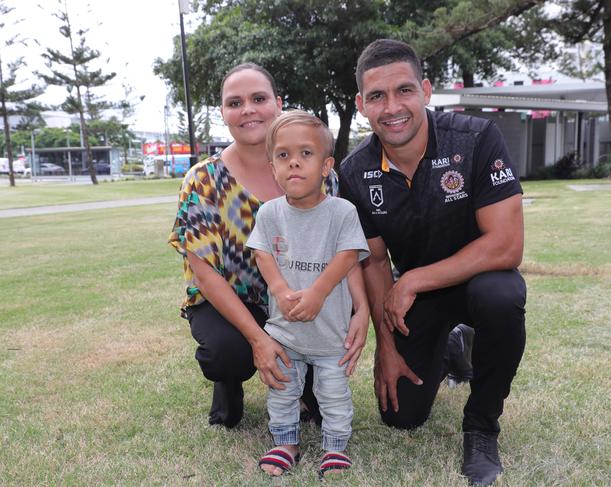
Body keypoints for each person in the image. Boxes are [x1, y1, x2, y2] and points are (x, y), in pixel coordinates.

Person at [338, 39, 526, 486]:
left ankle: (481, 426)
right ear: (362, 104)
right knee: (398, 414)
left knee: (501, 294)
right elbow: (375, 263)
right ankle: (450, 346)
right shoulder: (354, 172)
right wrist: (387, 347)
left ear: (425, 89)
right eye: (378, 96)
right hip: (415, 297)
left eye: (404, 90)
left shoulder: (477, 138)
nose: (393, 107)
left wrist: (417, 278)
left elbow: (506, 245)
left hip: (476, 281)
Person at [168, 63, 368, 429]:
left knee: (319, 406)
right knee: (227, 352)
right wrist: (258, 340)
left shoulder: (321, 175)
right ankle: (230, 381)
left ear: (277, 104)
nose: (247, 109)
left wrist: (361, 309)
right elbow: (204, 273)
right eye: (235, 102)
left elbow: (346, 248)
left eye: (258, 99)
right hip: (234, 301)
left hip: (305, 301)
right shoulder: (203, 180)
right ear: (224, 113)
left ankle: (305, 380)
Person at [247, 111, 370, 478]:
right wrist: (280, 289)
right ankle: (285, 442)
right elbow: (262, 252)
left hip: (330, 334)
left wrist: (318, 291)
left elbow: (349, 256)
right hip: (285, 332)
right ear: (273, 167)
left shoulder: (341, 212)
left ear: (326, 165)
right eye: (283, 156)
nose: (294, 162)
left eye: (306, 153)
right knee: (282, 391)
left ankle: (335, 447)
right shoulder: (269, 213)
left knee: (334, 395)